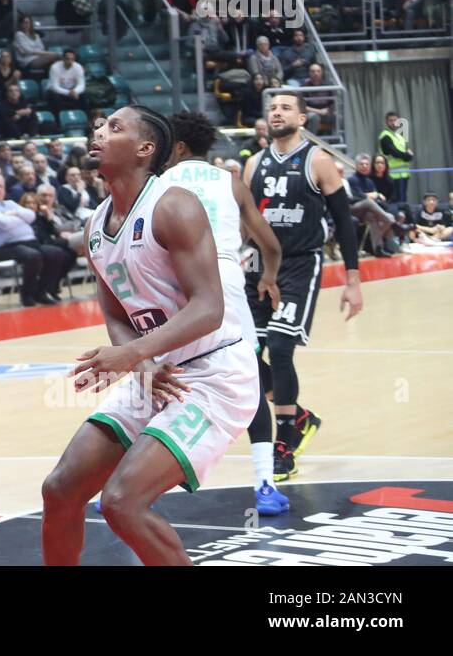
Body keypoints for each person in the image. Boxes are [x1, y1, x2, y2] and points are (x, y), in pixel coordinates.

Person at [41, 107, 258, 566]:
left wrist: (133, 355)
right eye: (100, 126)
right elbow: (117, 310)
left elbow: (209, 309)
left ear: (146, 149)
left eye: (114, 128)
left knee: (122, 503)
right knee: (60, 489)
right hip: (156, 372)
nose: (99, 132)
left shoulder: (174, 204)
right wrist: (140, 365)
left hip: (214, 374)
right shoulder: (96, 224)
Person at [164, 112, 288, 515]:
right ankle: (266, 485)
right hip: (225, 281)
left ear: (178, 147)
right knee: (249, 379)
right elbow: (270, 245)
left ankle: (123, 483)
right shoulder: (231, 183)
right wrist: (268, 278)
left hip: (174, 282)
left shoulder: (158, 184)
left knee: (156, 377)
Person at [243, 94, 363, 482]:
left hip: (299, 264)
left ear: (302, 117)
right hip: (259, 266)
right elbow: (243, 222)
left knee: (279, 347)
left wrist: (353, 279)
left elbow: (345, 222)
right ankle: (301, 417)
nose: (277, 113)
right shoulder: (252, 164)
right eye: (272, 108)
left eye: (285, 108)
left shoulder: (318, 161)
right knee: (243, 357)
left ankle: (285, 442)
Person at [0, 175, 65, 306]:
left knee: (56, 253)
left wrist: (15, 214)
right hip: (5, 247)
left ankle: (40, 292)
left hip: (29, 242)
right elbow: (5, 223)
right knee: (32, 256)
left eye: (0, 186)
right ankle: (26, 294)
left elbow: (31, 215)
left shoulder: (10, 204)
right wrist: (19, 217)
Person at [377, 111, 413, 206]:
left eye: (395, 120)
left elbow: (405, 151)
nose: (393, 122)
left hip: (404, 174)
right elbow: (394, 152)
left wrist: (407, 156)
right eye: (390, 120)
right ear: (386, 122)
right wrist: (408, 156)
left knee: (403, 200)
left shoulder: (399, 136)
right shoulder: (385, 136)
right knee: (396, 201)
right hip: (393, 175)